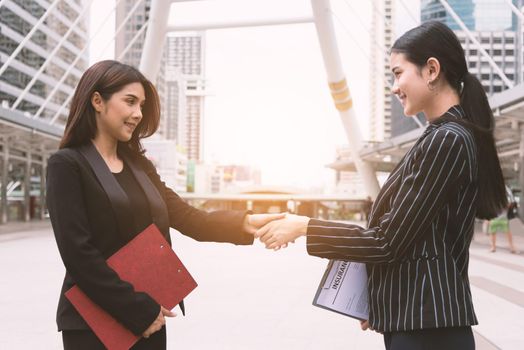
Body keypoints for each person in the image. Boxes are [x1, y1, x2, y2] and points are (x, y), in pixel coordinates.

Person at [255, 21, 507, 350]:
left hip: (428, 331)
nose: (393, 87)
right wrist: (387, 303)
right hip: (422, 323)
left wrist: (305, 226)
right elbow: (421, 243)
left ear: (431, 70)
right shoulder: (443, 136)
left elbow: (388, 241)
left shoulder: (448, 139)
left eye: (398, 73)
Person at [46, 60, 283, 350]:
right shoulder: (67, 165)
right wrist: (138, 310)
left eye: (142, 105)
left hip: (149, 316)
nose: (138, 114)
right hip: (98, 322)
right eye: (130, 102)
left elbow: (186, 216)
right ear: (97, 101)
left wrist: (244, 223)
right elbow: (78, 255)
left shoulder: (139, 165)